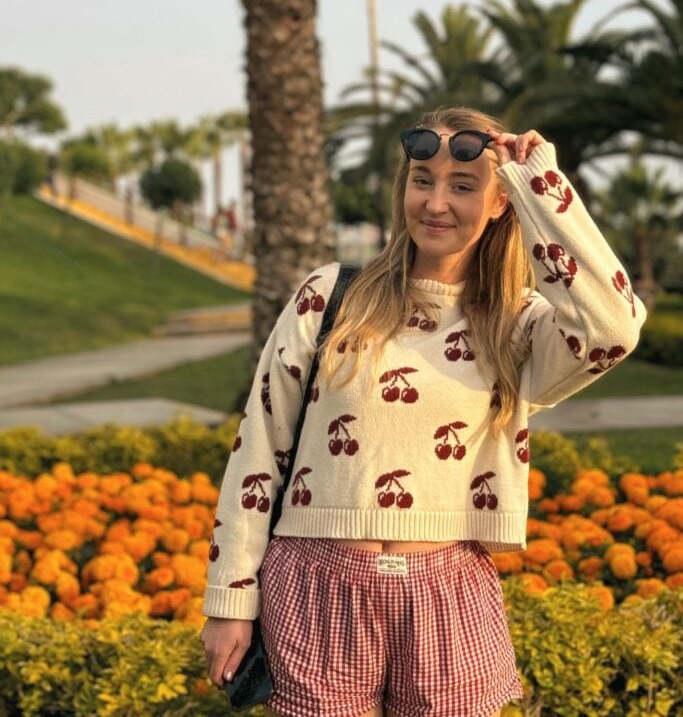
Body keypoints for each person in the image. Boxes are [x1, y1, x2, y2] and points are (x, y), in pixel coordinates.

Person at [201, 105, 646, 717]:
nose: (436, 202)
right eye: (421, 180)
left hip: (449, 593)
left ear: (499, 204)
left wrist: (538, 182)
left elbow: (613, 328)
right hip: (313, 586)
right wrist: (229, 599)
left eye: (463, 186)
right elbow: (259, 448)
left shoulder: (517, 325)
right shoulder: (330, 296)